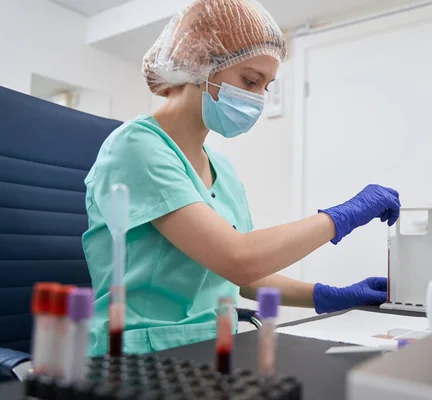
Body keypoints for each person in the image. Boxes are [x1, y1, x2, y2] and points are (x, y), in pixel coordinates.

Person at [83, 0, 401, 356]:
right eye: (250, 80)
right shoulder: (136, 147)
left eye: (266, 86)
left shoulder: (223, 170)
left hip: (214, 347)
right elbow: (239, 258)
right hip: (140, 353)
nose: (259, 99)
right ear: (198, 62)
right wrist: (342, 216)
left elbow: (242, 275)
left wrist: (325, 295)